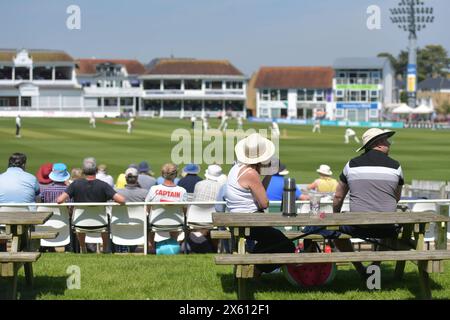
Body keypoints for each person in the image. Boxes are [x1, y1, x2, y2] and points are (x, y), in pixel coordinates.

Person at [226, 133, 295, 275]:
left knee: (273, 240)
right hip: (250, 221)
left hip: (237, 219)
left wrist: (269, 173)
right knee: (286, 245)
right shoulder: (251, 173)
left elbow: (257, 192)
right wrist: (269, 173)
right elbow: (264, 203)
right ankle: (255, 270)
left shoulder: (236, 168)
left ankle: (253, 267)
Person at [56, 157, 126, 253]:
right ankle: (105, 248)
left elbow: (59, 200)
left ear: (83, 171)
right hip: (101, 223)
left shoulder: (75, 184)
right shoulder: (103, 185)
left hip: (80, 223)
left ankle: (83, 248)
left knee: (80, 222)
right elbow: (122, 200)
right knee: (106, 223)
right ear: (96, 170)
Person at [145, 163, 187, 253]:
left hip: (156, 222)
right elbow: (185, 210)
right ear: (175, 174)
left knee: (149, 222)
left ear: (162, 174)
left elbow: (147, 207)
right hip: (176, 223)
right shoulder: (182, 191)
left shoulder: (153, 189)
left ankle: (151, 248)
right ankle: (173, 248)